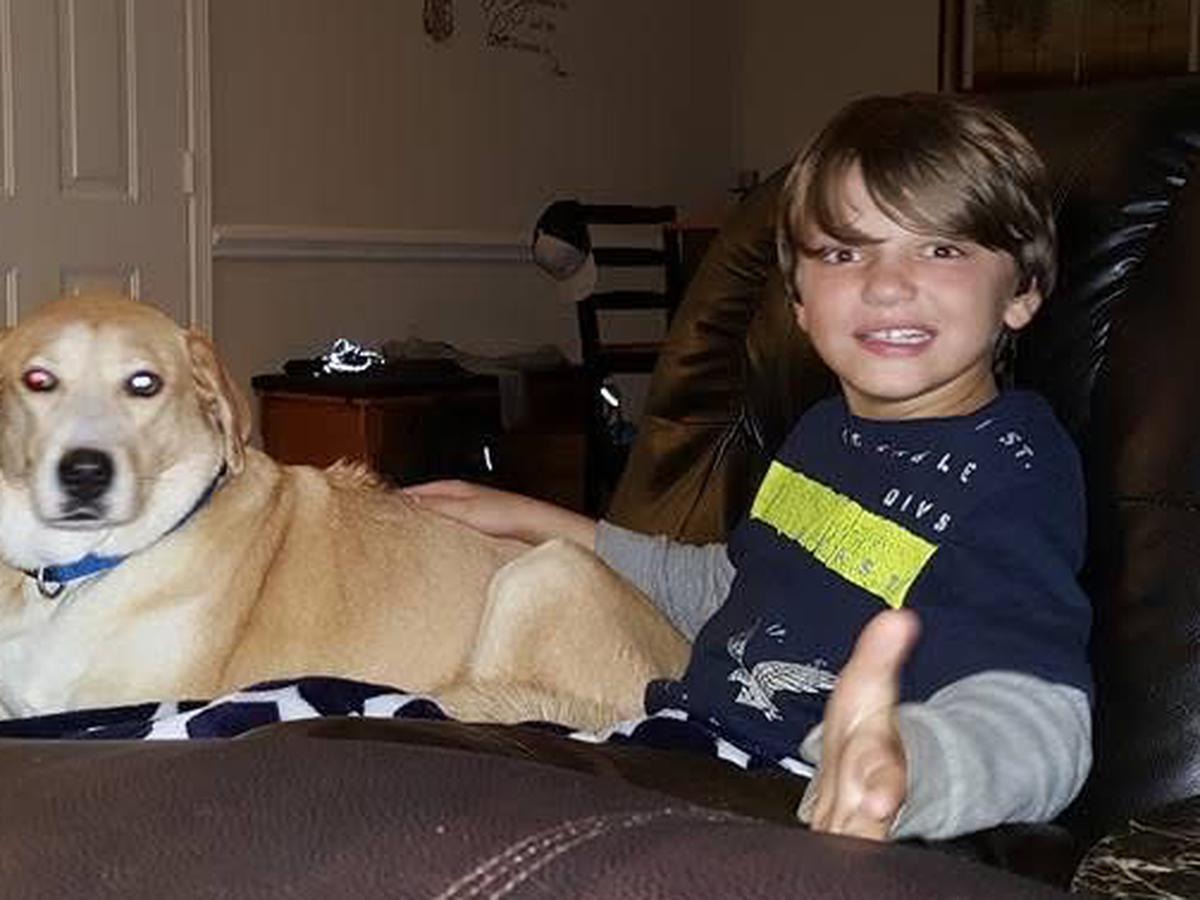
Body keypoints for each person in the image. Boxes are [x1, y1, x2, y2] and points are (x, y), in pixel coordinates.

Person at [406, 92, 1092, 843]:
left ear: (1023, 290)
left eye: (941, 250)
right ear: (798, 299)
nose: (886, 284)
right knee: (339, 728)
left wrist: (908, 766)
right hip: (673, 742)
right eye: (844, 253)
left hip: (781, 799)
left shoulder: (1015, 470)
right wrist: (534, 520)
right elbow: (730, 588)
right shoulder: (822, 433)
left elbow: (1044, 719)